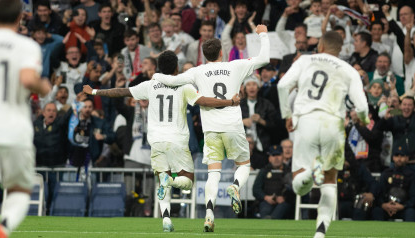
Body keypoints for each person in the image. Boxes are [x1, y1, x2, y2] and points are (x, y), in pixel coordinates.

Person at [82, 50, 241, 232]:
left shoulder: (150, 86)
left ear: (159, 68)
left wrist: (95, 91)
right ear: (176, 68)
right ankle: (170, 182)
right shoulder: (183, 86)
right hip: (177, 141)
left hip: (156, 141)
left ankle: (166, 220)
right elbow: (204, 101)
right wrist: (229, 102)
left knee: (161, 179)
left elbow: (121, 92)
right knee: (187, 181)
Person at [153, 24, 270, 232]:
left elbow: (171, 80)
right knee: (243, 165)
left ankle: (209, 215)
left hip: (211, 130)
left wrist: (156, 77)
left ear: (204, 54)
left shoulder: (197, 71)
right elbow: (264, 59)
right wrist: (262, 34)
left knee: (213, 173)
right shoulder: (236, 66)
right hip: (233, 126)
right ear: (221, 52)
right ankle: (235, 185)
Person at [277, 31, 369, 238]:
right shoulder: (349, 70)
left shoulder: (305, 60)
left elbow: (282, 85)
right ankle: (320, 231)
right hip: (333, 125)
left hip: (307, 120)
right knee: (330, 179)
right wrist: (363, 119)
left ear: (320, 46)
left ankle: (309, 172)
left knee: (299, 186)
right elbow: (361, 105)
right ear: (340, 48)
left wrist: (287, 115)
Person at [0, 0, 51, 237]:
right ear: (20, 18)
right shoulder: (26, 46)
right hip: (14, 129)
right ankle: (4, 226)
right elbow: (27, 79)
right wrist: (43, 86)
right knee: (19, 189)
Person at [252, 145, 293, 219]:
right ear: (269, 158)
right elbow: (256, 189)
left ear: (283, 156)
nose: (276, 158)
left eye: (278, 155)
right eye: (273, 155)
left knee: (279, 211)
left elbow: (293, 189)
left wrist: (284, 198)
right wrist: (266, 197)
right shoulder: (264, 171)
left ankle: (272, 220)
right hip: (267, 200)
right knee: (265, 211)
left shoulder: (289, 171)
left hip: (283, 202)